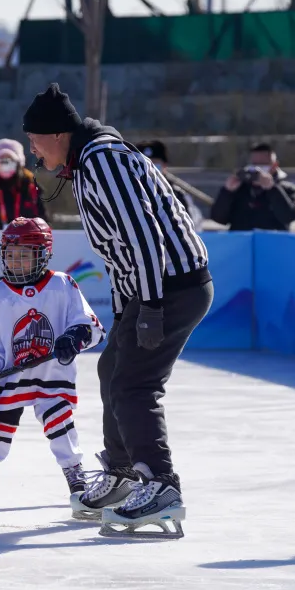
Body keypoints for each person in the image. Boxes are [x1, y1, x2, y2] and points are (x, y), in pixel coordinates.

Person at [23, 82, 211, 539]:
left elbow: (144, 236)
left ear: (56, 135)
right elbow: (119, 250)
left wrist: (148, 307)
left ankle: (161, 483)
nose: (32, 151)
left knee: (135, 383)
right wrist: (128, 310)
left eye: (34, 140)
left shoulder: (102, 159)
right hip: (151, 290)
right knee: (113, 369)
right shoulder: (86, 163)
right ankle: (124, 473)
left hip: (171, 287)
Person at [0, 216, 105, 504]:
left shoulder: (63, 285)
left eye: (23, 256)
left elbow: (91, 326)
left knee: (60, 424)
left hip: (52, 375)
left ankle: (74, 469)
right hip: (9, 375)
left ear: (43, 254)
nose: (15, 262)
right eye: (10, 255)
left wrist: (74, 337)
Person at [210, 143, 295, 231]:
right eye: (254, 165)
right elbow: (218, 218)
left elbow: (289, 216)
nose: (258, 169)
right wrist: (227, 192)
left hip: (274, 243)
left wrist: (272, 189)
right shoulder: (240, 189)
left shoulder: (289, 189)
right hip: (243, 243)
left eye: (263, 165)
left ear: (274, 166)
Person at [136, 141, 204, 231]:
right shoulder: (128, 192)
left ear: (164, 165)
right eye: (143, 164)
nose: (149, 169)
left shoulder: (178, 195)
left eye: (154, 164)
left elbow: (191, 227)